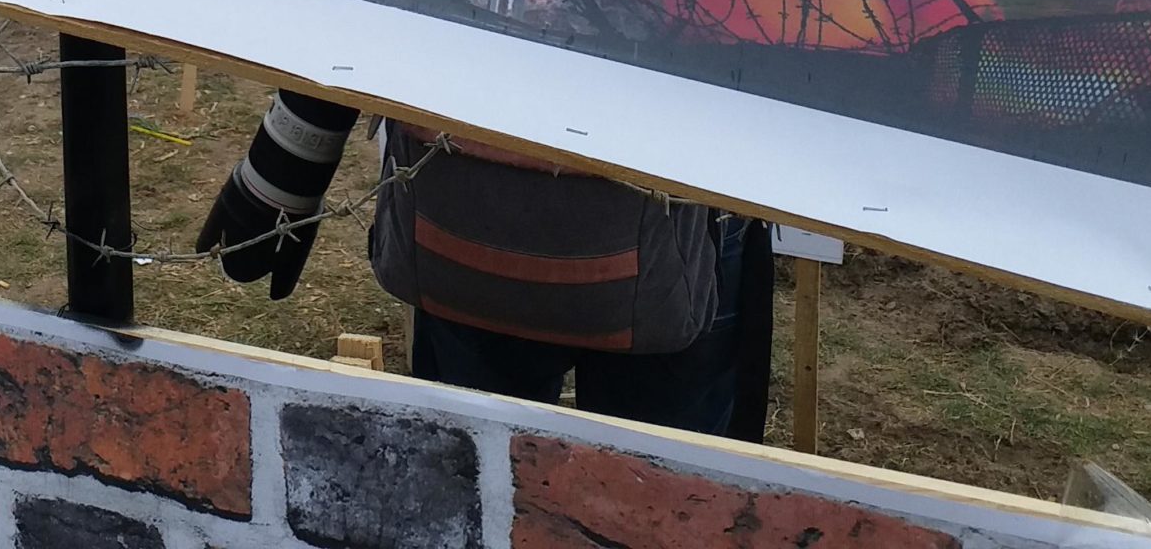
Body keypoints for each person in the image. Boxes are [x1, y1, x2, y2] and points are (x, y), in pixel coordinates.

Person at [199, 93, 765, 439]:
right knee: (653, 494)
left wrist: (286, 166)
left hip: (475, 219)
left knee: (479, 470)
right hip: (484, 222)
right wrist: (284, 166)